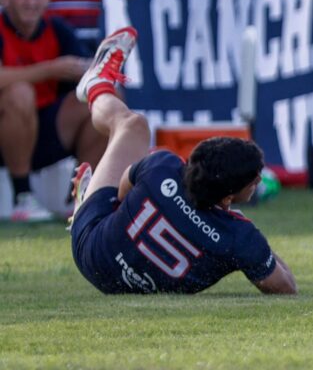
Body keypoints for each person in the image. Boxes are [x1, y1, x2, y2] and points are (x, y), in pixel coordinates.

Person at [68, 27, 297, 295]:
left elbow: (123, 188)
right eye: (253, 180)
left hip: (93, 255)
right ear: (227, 197)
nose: (258, 181)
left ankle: (98, 85)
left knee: (133, 125)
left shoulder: (163, 167)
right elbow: (285, 288)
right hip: (125, 283)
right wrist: (257, 248)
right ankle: (96, 86)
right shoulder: (240, 235)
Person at [0, 0, 103, 223]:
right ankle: (22, 196)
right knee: (19, 93)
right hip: (6, 132)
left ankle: (82, 195)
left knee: (102, 98)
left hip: (45, 131)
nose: (31, 2)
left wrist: (98, 69)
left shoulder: (58, 29)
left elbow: (87, 74)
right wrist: (51, 69)